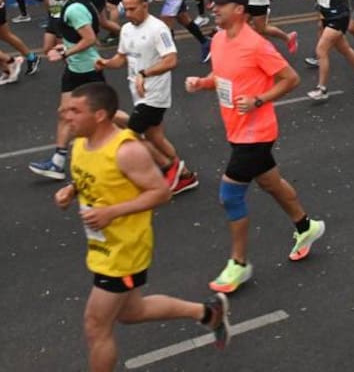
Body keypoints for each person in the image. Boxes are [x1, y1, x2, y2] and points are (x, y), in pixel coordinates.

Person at [54, 83, 229, 372]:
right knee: (132, 311)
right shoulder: (81, 143)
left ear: (99, 115)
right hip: (102, 244)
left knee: (96, 325)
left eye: (75, 110)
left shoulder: (126, 150)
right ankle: (208, 312)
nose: (66, 115)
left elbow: (161, 192)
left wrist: (112, 212)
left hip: (124, 250)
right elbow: (98, 176)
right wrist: (72, 191)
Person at [185, 0, 326, 294]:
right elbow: (224, 78)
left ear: (238, 10)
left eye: (219, 6)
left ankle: (238, 263)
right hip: (236, 130)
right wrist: (202, 83)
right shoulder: (220, 40)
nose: (213, 9)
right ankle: (306, 226)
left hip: (256, 132)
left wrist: (259, 100)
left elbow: (291, 78)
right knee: (269, 183)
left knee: (230, 196)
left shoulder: (256, 44)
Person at [95, 0, 198, 195]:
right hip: (137, 92)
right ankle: (185, 175)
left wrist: (145, 73)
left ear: (145, 6)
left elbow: (171, 60)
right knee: (155, 137)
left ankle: (167, 170)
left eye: (133, 9)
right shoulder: (125, 29)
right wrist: (105, 63)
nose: (129, 13)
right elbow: (122, 58)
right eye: (126, 9)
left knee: (129, 136)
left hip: (155, 95)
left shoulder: (158, 29)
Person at [28, 0, 105, 180]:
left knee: (108, 115)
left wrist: (65, 52)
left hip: (88, 69)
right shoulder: (76, 2)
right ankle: (58, 162)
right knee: (64, 112)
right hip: (75, 68)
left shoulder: (74, 9)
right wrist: (66, 50)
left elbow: (89, 39)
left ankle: (137, 131)